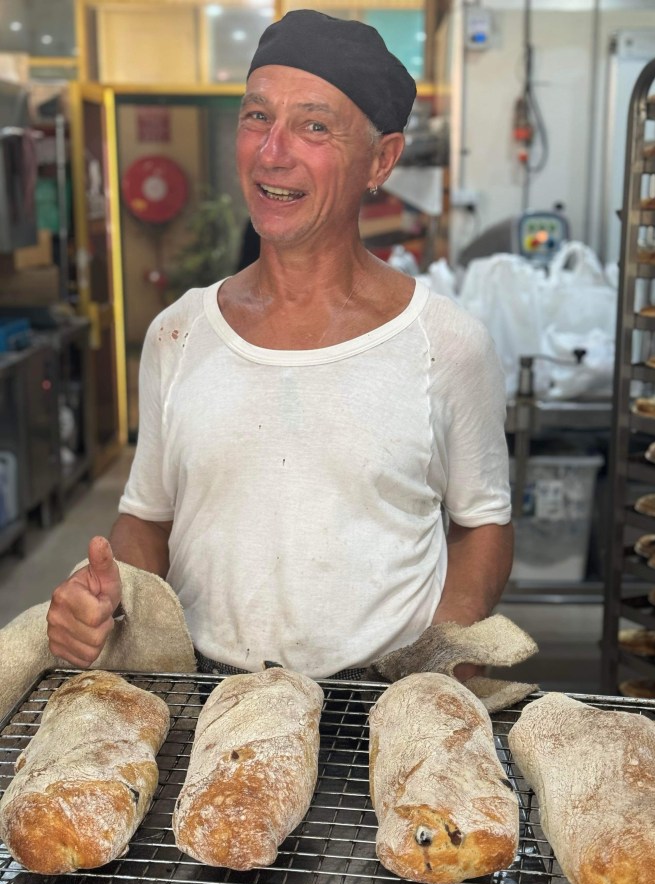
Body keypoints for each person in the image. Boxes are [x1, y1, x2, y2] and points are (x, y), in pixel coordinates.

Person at [46, 9, 514, 682]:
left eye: (314, 126)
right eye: (257, 117)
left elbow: (483, 525)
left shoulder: (445, 344)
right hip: (207, 693)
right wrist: (104, 596)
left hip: (381, 699)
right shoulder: (180, 333)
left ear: (380, 159)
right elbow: (147, 518)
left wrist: (441, 664)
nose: (272, 151)